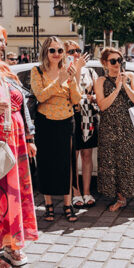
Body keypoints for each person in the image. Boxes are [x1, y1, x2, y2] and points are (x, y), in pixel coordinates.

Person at [31, 36, 81, 222]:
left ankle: (68, 205)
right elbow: (41, 96)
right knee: (46, 164)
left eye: (60, 50)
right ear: (46, 52)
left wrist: (73, 78)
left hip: (66, 121)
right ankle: (49, 205)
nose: (57, 54)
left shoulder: (67, 71)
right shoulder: (37, 71)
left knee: (66, 165)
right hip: (45, 122)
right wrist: (58, 82)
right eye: (52, 50)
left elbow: (76, 99)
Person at [0, 26, 38, 268]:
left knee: (14, 193)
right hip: (1, 139)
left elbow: (23, 106)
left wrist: (31, 137)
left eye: (1, 42)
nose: (1, 46)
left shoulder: (6, 72)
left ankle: (12, 245)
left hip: (17, 139)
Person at [94, 47, 134, 216]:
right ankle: (120, 199)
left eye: (119, 61)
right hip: (109, 127)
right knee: (112, 163)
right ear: (105, 63)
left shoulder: (130, 77)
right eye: (113, 61)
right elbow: (102, 106)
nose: (117, 64)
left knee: (133, 163)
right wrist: (116, 89)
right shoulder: (101, 81)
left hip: (128, 126)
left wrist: (124, 84)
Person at [64, 40, 98, 209]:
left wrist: (94, 98)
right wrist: (76, 70)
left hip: (88, 116)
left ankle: (86, 191)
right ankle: (75, 192)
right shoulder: (64, 71)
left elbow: (97, 93)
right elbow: (73, 95)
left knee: (87, 155)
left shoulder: (90, 71)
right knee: (73, 156)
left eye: (78, 50)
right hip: (72, 115)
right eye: (71, 51)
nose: (76, 54)